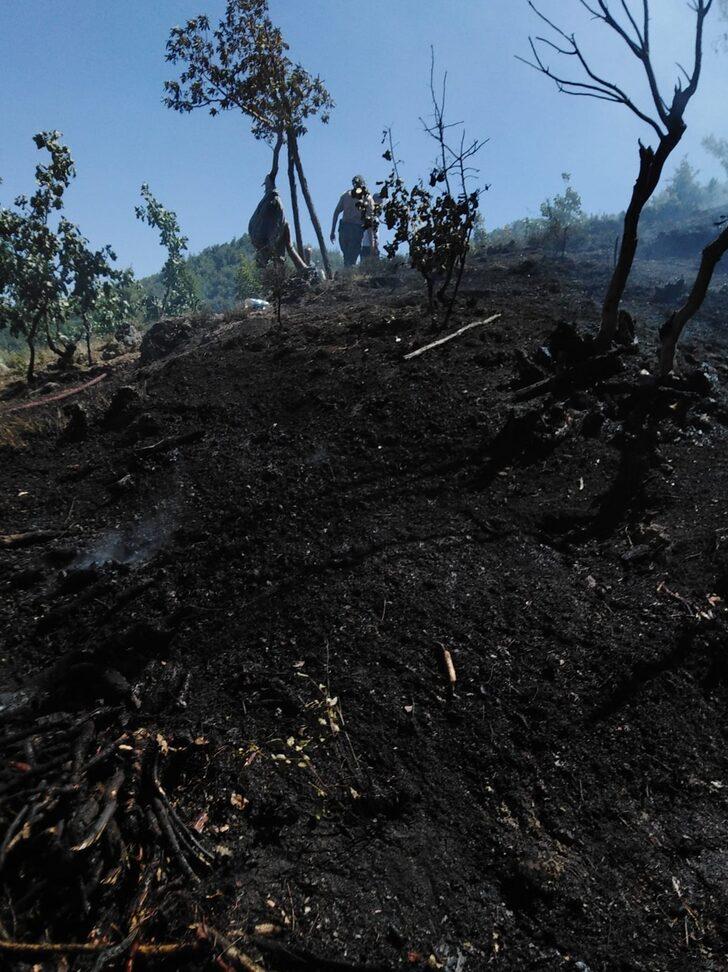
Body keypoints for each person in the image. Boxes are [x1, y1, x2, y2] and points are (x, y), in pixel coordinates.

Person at [330, 176, 378, 267]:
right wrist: (372, 243)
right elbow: (369, 223)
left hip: (343, 229)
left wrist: (333, 231)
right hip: (355, 230)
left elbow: (336, 212)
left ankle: (345, 275)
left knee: (347, 258)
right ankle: (347, 277)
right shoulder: (367, 199)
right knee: (351, 261)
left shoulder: (346, 195)